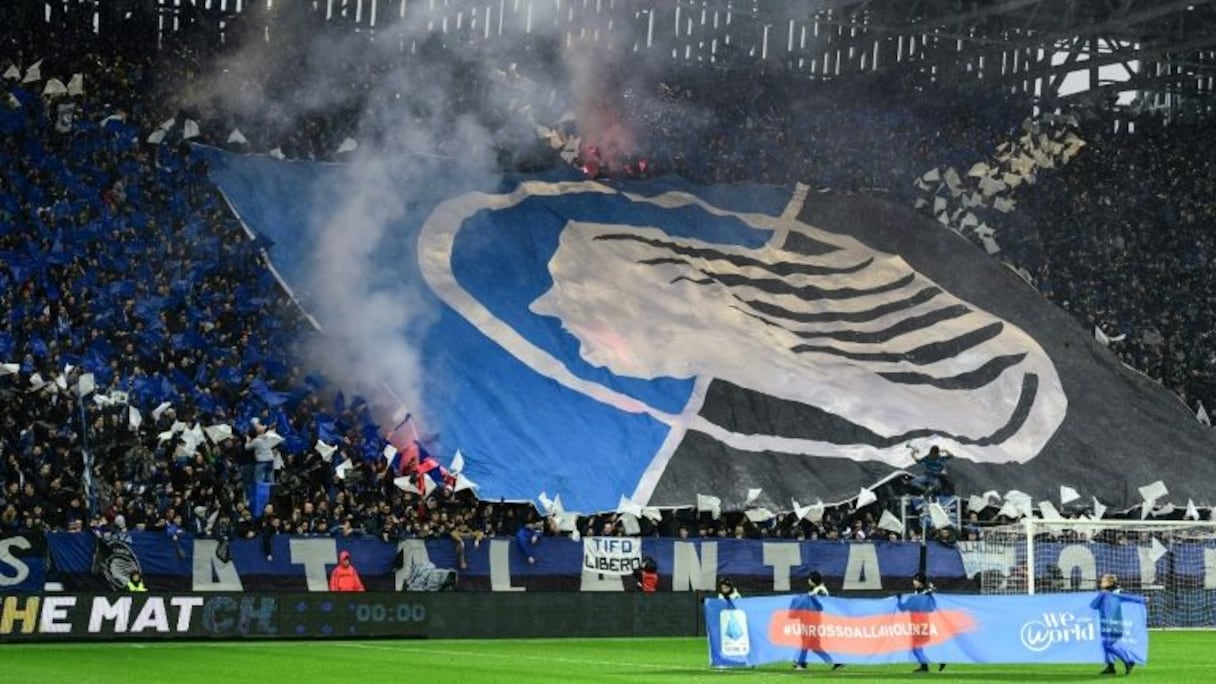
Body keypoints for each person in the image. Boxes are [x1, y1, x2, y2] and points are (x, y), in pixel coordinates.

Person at [1090, 574, 1144, 675]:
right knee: (1105, 645)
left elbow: (1130, 597)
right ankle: (1111, 667)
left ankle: (1129, 661)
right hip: (1105, 624)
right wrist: (1102, 595)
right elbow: (1093, 605)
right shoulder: (1103, 594)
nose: (1101, 582)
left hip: (1115, 623)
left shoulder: (1117, 592)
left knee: (1109, 644)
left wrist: (1143, 599)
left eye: (1103, 581)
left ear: (1109, 583)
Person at [793, 571, 844, 671]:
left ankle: (800, 663)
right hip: (811, 620)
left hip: (815, 621)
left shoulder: (820, 590)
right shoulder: (816, 589)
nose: (808, 581)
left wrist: (810, 597)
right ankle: (836, 662)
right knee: (814, 646)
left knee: (806, 642)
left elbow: (820, 605)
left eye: (810, 579)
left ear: (813, 580)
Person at [901, 572, 945, 673]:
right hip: (917, 622)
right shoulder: (918, 592)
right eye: (914, 579)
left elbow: (929, 596)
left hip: (921, 623)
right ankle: (926, 666)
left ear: (921, 583)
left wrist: (930, 590)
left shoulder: (924, 592)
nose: (914, 581)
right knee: (918, 647)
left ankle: (927, 665)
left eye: (916, 580)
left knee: (916, 647)